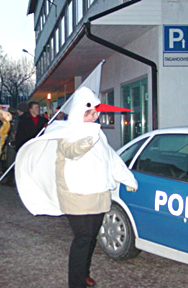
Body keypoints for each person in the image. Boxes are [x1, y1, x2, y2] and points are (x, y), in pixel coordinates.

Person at [15, 87, 138, 288]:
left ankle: (83, 274)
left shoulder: (98, 134)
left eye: (95, 113)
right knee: (82, 238)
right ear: (80, 113)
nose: (94, 117)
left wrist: (127, 179)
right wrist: (85, 143)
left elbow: (110, 158)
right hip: (76, 194)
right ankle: (76, 283)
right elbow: (70, 151)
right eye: (90, 113)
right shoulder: (67, 132)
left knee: (91, 239)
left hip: (98, 194)